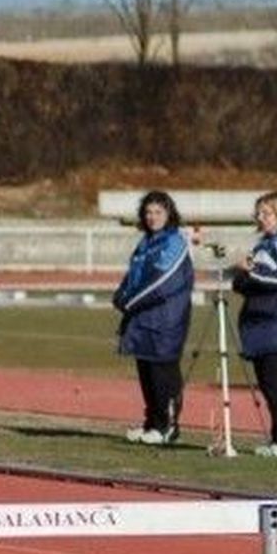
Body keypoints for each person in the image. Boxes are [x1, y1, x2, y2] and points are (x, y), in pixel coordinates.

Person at [229, 191, 277, 457]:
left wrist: (252, 272)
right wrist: (244, 273)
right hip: (260, 326)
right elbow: (242, 284)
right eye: (259, 213)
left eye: (267, 213)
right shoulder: (263, 245)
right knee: (269, 385)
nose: (261, 218)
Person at [113, 190, 195, 445]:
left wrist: (130, 302)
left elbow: (161, 282)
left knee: (163, 374)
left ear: (168, 214)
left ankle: (167, 426)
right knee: (146, 373)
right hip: (143, 319)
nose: (152, 217)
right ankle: (152, 423)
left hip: (165, 320)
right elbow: (134, 277)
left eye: (158, 212)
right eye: (148, 212)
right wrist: (121, 294)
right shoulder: (146, 242)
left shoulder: (174, 242)